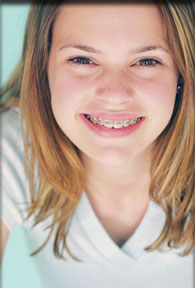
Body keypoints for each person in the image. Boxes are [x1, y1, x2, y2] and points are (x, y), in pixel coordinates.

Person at [0, 1, 194, 287]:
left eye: (146, 61)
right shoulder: (16, 149)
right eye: (82, 59)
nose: (114, 96)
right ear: (43, 69)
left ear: (182, 73)